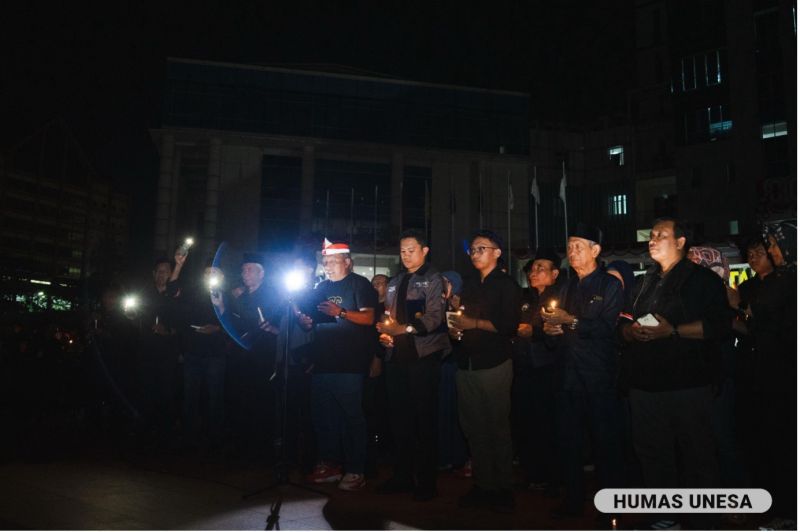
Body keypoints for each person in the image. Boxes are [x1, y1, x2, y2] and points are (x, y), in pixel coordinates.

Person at [619, 218, 730, 529]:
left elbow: (719, 325)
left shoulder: (702, 280)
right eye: (651, 235)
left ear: (681, 242)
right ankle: (664, 516)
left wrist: (673, 331)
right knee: (652, 454)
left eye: (661, 235)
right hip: (645, 386)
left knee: (697, 454)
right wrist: (630, 331)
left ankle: (703, 521)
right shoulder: (643, 282)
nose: (652, 240)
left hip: (688, 384)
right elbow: (622, 323)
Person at [540, 224, 625, 520]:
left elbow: (607, 328)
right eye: (570, 246)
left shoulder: (610, 285)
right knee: (569, 442)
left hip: (598, 375)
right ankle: (573, 499)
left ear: (595, 250)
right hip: (568, 376)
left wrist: (571, 321)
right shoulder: (567, 286)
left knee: (605, 443)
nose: (572, 252)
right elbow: (557, 330)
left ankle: (609, 506)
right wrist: (551, 330)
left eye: (579, 246)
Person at [448, 230, 520, 513]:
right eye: (473, 250)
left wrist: (473, 324)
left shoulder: (506, 285)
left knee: (496, 427)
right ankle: (483, 484)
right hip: (466, 362)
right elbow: (461, 318)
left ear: (497, 253)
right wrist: (456, 328)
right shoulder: (468, 284)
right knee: (473, 427)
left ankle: (503, 488)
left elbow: (509, 325)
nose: (475, 254)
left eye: (482, 248)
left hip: (494, 363)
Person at [375, 229, 450, 501]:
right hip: (396, 358)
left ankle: (427, 481)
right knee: (399, 420)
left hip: (423, 357)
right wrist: (386, 335)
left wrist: (404, 329)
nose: (406, 255)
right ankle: (402, 476)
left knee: (424, 420)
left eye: (411, 250)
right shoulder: (395, 281)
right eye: (402, 251)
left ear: (424, 250)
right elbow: (388, 315)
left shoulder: (433, 278)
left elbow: (435, 317)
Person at [299, 239, 377, 491]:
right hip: (323, 362)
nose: (328, 266)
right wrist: (307, 321)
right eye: (325, 262)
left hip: (349, 363)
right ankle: (330, 465)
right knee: (324, 417)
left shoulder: (359, 284)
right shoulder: (321, 287)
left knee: (352, 417)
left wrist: (341, 312)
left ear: (348, 262)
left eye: (333, 261)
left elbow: (369, 317)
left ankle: (356, 470)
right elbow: (313, 320)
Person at [214, 253, 282, 463]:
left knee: (260, 401)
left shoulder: (273, 296)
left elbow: (280, 327)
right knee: (239, 399)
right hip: (240, 357)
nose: (244, 273)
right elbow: (231, 324)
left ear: (261, 273)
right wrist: (222, 306)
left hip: (262, 357)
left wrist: (273, 329)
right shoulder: (239, 296)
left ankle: (260, 449)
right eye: (243, 269)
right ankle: (240, 446)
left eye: (249, 269)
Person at [512, 247, 561, 495]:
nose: (534, 272)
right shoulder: (526, 298)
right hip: (523, 368)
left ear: (555, 274)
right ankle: (532, 472)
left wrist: (536, 332)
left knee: (547, 423)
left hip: (548, 369)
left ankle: (551, 476)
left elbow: (561, 334)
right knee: (526, 422)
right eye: (532, 268)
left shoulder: (560, 299)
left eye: (541, 268)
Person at [134, 256, 182, 449]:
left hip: (167, 353)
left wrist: (168, 331)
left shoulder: (176, 296)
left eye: (167, 272)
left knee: (166, 392)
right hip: (146, 351)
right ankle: (146, 432)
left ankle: (166, 434)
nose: (163, 275)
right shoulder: (144, 294)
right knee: (146, 391)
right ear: (153, 274)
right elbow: (136, 319)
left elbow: (182, 324)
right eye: (159, 271)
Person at [437, 270, 470, 477]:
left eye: (447, 282)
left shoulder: (463, 304)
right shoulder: (436, 304)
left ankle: (461, 456)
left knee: (460, 412)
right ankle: (444, 456)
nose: (442, 286)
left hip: (458, 363)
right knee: (442, 411)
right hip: (440, 364)